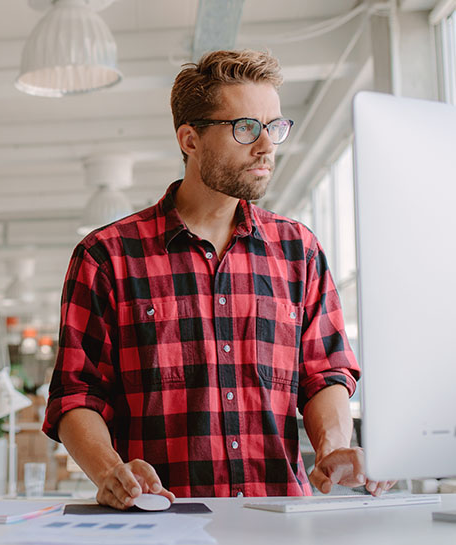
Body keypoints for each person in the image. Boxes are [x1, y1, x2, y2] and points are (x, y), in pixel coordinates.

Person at [42, 49, 395, 510]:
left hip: (280, 522)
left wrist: (332, 448)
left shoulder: (298, 250)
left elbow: (324, 372)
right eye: (246, 128)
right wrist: (111, 472)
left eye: (274, 127)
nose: (266, 146)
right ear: (190, 139)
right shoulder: (107, 256)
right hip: (161, 522)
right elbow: (76, 393)